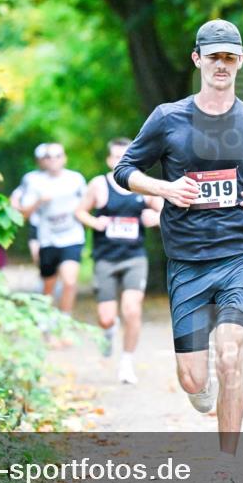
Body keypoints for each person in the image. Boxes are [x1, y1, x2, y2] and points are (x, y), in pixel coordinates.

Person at [113, 19, 243, 483]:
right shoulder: (168, 118)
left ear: (241, 61)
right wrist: (165, 188)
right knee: (193, 380)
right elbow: (125, 170)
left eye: (230, 57)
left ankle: (227, 464)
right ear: (198, 60)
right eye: (214, 57)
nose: (221, 65)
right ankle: (201, 385)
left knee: (230, 355)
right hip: (187, 260)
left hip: (237, 254)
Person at [75, 137, 163, 384]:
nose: (121, 161)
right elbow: (80, 211)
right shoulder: (99, 185)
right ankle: (108, 330)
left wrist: (155, 218)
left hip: (134, 257)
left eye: (126, 156)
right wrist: (95, 222)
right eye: (116, 156)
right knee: (105, 317)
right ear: (109, 160)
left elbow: (166, 210)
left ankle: (126, 362)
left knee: (132, 309)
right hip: (105, 258)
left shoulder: (143, 184)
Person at [14, 142, 87, 318]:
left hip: (72, 237)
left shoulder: (76, 179)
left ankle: (64, 320)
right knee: (49, 285)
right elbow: (23, 214)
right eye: (49, 157)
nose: (53, 160)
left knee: (70, 281)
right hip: (47, 239)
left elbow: (87, 204)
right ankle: (46, 321)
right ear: (43, 160)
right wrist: (39, 201)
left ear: (64, 158)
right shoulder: (34, 181)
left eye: (58, 156)